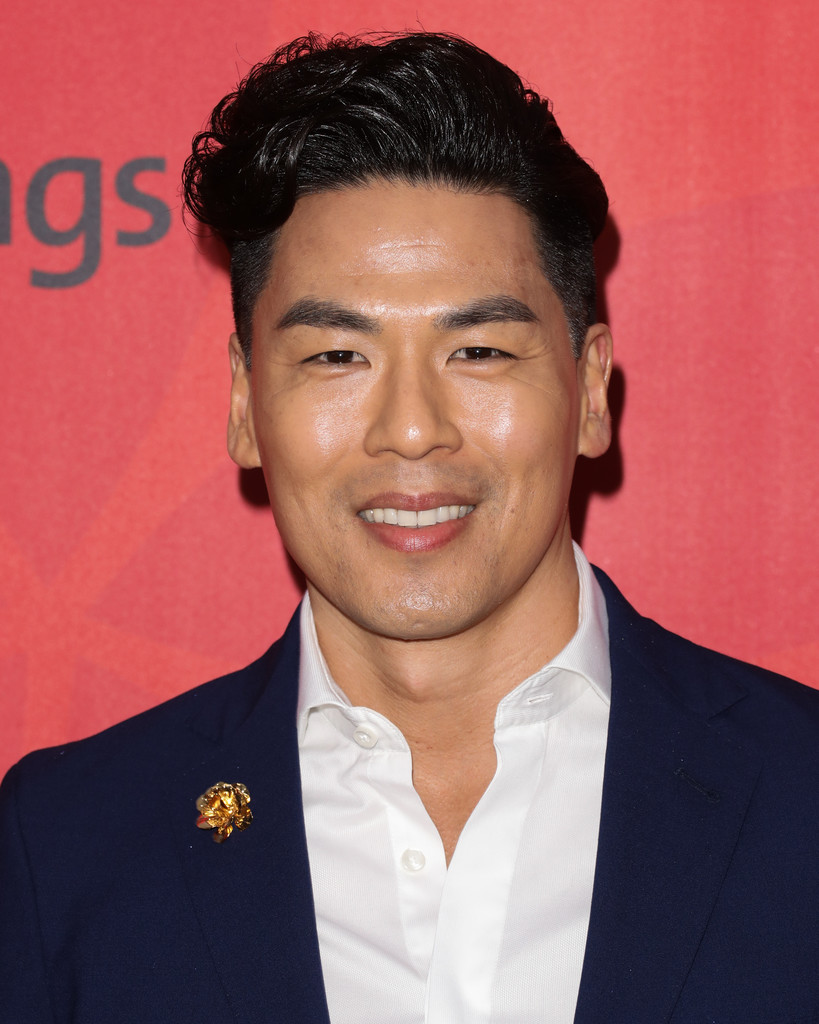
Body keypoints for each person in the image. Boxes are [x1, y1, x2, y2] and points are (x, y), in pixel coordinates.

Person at [1, 32, 817, 1024]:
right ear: (244, 405)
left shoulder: (800, 795)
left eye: (479, 350)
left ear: (592, 389)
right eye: (337, 357)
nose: (412, 429)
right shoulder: (63, 847)